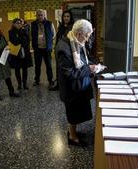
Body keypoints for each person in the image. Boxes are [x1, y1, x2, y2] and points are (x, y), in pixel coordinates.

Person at [56, 19, 104, 147]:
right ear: (79, 34)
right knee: (73, 113)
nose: (88, 39)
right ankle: (72, 137)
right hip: (72, 89)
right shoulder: (64, 48)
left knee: (77, 113)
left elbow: (83, 60)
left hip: (78, 86)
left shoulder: (74, 41)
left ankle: (73, 132)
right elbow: (70, 73)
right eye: (87, 36)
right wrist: (89, 69)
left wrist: (93, 66)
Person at [0, 20, 20, 100]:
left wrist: (7, 47)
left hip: (4, 59)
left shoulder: (1, 35)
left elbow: (5, 43)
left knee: (7, 76)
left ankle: (11, 91)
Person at [50, 10, 74, 91]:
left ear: (70, 17)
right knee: (59, 68)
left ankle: (67, 86)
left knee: (66, 69)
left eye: (68, 16)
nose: (66, 18)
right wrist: (55, 48)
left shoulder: (73, 27)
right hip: (59, 51)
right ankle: (59, 85)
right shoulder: (61, 26)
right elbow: (58, 38)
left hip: (68, 52)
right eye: (64, 16)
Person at [31, 9, 55, 88]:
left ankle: (50, 81)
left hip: (47, 48)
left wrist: (48, 41)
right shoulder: (33, 24)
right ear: (36, 16)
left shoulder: (49, 23)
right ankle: (37, 80)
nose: (40, 16)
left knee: (48, 65)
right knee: (37, 65)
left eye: (41, 15)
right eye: (38, 15)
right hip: (37, 49)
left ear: (44, 15)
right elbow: (31, 35)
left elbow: (53, 34)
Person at [8, 18, 33, 90]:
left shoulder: (24, 30)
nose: (19, 24)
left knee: (25, 68)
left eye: (20, 23)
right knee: (17, 69)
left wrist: (21, 39)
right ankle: (19, 84)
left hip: (25, 52)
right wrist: (22, 40)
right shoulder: (11, 32)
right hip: (16, 53)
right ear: (13, 24)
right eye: (17, 23)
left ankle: (25, 83)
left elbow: (28, 40)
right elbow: (15, 41)